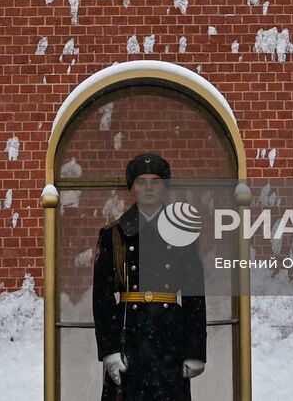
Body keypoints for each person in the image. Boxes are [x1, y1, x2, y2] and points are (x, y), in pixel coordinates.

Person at [92, 152, 207, 401]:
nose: (148, 187)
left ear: (164, 186)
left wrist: (195, 351)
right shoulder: (115, 235)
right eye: (141, 181)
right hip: (129, 335)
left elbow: (194, 294)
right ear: (132, 186)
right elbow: (101, 298)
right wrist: (110, 351)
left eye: (155, 181)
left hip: (170, 338)